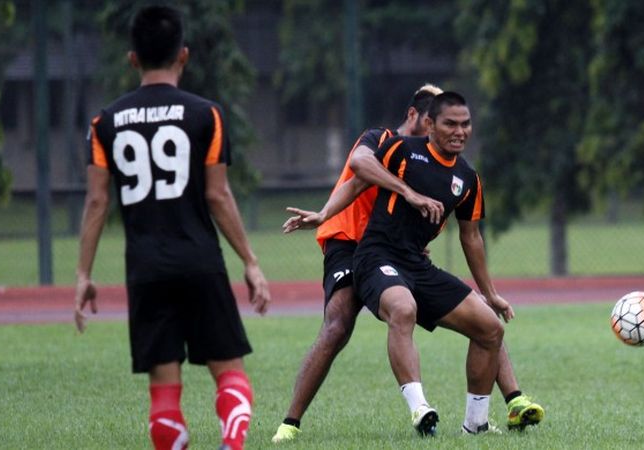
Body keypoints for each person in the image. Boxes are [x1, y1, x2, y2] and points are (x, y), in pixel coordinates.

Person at [73, 6, 270, 450]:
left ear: (132, 58)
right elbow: (218, 196)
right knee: (230, 374)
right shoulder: (207, 115)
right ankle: (232, 442)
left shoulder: (105, 122)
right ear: (183, 55)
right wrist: (251, 262)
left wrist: (84, 275)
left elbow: (97, 201)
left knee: (163, 391)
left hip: (146, 269)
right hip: (201, 261)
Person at [351, 91, 544, 437]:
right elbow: (359, 167)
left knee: (490, 328)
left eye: (465, 124)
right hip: (376, 256)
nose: (460, 131)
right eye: (450, 123)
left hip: (418, 266)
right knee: (403, 307)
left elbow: (471, 238)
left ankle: (476, 425)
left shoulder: (468, 179)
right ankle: (420, 409)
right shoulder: (403, 149)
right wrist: (407, 192)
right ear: (430, 124)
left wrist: (491, 294)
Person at [270, 85, 446, 443]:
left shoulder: (425, 156)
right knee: (337, 325)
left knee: (469, 311)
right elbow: (359, 166)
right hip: (349, 241)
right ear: (412, 114)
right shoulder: (379, 137)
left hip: (391, 250)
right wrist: (406, 191)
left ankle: (498, 404)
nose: (431, 133)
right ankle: (290, 423)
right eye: (428, 122)